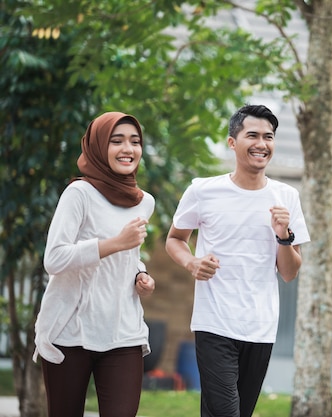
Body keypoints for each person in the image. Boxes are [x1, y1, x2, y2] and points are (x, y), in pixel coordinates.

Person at [165, 104, 310, 417]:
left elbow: (289, 273)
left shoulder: (286, 197)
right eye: (253, 135)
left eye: (269, 137)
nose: (262, 144)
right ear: (233, 142)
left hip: (260, 327)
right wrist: (192, 263)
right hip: (214, 322)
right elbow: (175, 239)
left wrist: (283, 235)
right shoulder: (203, 190)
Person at [33, 112, 156, 417]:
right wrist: (114, 243)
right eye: (117, 141)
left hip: (123, 331)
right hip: (71, 330)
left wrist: (141, 274)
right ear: (99, 146)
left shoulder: (145, 201)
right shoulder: (79, 194)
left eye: (135, 141)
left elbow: (129, 256)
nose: (128, 149)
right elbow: (55, 258)